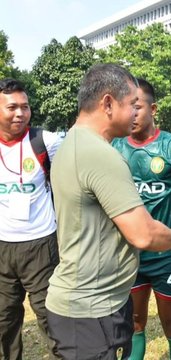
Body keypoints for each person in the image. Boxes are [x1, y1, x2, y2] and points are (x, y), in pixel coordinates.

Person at [45, 64, 171, 360]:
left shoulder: (73, 143)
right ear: (109, 103)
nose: (135, 114)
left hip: (87, 305)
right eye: (131, 105)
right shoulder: (101, 155)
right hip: (91, 313)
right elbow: (143, 233)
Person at [113, 78, 171, 360]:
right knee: (135, 325)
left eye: (138, 107)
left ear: (153, 109)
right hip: (128, 254)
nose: (132, 113)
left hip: (168, 254)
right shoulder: (115, 148)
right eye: (127, 107)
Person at [0, 78, 62, 359]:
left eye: (25, 107)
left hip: (40, 245)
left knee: (52, 316)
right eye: (12, 107)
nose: (20, 113)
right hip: (2, 246)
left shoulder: (45, 141)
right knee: (4, 320)